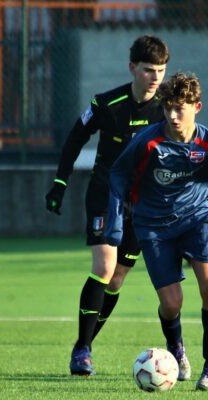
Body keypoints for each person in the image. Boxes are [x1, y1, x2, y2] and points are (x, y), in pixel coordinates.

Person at [104, 72, 208, 391]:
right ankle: (176, 349)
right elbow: (118, 174)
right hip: (154, 228)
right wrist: (116, 222)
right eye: (168, 108)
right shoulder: (149, 141)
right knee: (172, 303)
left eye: (181, 108)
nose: (173, 116)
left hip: (197, 222)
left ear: (197, 107)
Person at [44, 35, 170, 376]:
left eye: (160, 70)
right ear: (132, 68)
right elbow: (74, 138)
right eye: (148, 70)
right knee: (103, 266)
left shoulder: (166, 107)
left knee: (116, 280)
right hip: (105, 194)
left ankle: (83, 345)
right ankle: (82, 351)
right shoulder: (106, 103)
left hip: (143, 203)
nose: (155, 77)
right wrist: (60, 181)